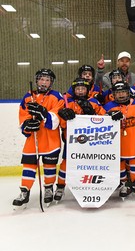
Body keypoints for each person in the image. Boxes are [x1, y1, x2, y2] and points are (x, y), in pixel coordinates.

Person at [13, 69, 64, 208]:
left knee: (49, 167)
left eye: (47, 80)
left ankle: (48, 188)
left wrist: (43, 113)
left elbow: (55, 120)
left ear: (51, 83)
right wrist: (27, 125)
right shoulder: (28, 97)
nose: (44, 82)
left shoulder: (56, 96)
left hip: (50, 140)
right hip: (33, 140)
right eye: (42, 79)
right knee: (29, 166)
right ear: (37, 80)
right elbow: (23, 116)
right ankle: (25, 192)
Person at [55, 78, 106, 202]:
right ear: (74, 90)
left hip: (92, 141)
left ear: (87, 90)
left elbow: (104, 119)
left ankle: (90, 186)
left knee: (91, 164)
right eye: (77, 89)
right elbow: (61, 125)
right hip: (72, 141)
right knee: (66, 163)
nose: (80, 91)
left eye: (83, 88)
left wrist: (92, 113)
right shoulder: (68, 103)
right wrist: (63, 115)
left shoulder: (93, 102)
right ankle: (60, 186)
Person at [104, 81, 135, 198]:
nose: (121, 95)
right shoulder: (108, 107)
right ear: (113, 94)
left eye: (123, 92)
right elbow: (101, 124)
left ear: (128, 93)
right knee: (120, 163)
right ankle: (124, 184)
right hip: (118, 142)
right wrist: (109, 117)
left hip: (134, 139)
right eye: (118, 93)